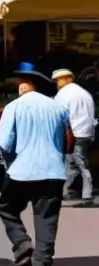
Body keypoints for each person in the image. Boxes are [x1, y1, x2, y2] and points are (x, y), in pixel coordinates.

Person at [0, 64, 69, 266]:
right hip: (53, 171)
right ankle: (43, 263)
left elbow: (5, 142)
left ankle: (22, 243)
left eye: (21, 83)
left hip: (21, 171)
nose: (20, 87)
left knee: (7, 209)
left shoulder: (13, 108)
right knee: (46, 217)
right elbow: (65, 141)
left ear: (28, 86)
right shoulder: (58, 108)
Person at [52, 68, 95, 206]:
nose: (56, 83)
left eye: (58, 80)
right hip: (87, 132)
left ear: (67, 78)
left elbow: (58, 115)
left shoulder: (63, 95)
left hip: (73, 133)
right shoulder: (85, 93)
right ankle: (67, 191)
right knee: (75, 163)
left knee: (77, 163)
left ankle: (86, 193)